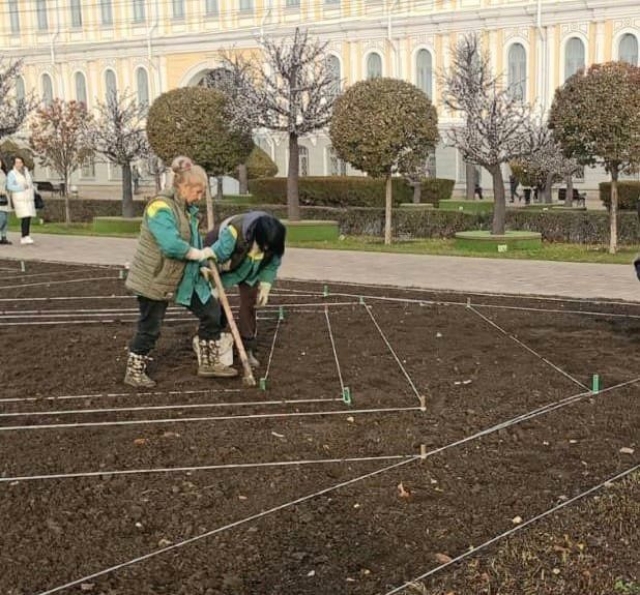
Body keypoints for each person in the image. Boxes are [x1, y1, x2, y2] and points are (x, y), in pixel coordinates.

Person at [124, 156, 237, 388]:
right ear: (183, 186)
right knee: (150, 327)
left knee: (212, 313)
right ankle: (134, 371)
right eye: (197, 191)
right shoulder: (160, 207)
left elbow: (192, 242)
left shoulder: (188, 210)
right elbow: (171, 244)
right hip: (155, 277)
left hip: (185, 276)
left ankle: (209, 362)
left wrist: (203, 266)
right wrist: (199, 255)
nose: (199, 197)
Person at [203, 212, 286, 368]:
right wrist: (211, 280)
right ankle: (212, 340)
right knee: (212, 306)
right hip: (227, 262)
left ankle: (247, 349)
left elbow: (272, 264)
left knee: (249, 303)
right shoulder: (234, 234)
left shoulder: (275, 239)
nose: (267, 248)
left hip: (250, 269)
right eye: (264, 245)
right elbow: (213, 257)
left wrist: (266, 285)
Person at [6, 156, 35, 245]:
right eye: (17, 162)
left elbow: (30, 183)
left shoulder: (26, 172)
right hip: (19, 198)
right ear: (14, 164)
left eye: (20, 162)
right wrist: (21, 187)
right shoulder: (12, 173)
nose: (19, 164)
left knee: (28, 216)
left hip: (28, 197)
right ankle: (24, 236)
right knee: (24, 216)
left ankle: (27, 235)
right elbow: (10, 186)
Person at [0, 157, 12, 245]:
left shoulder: (3, 173)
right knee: (2, 218)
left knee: (6, 219)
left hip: (5, 199)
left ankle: (3, 237)